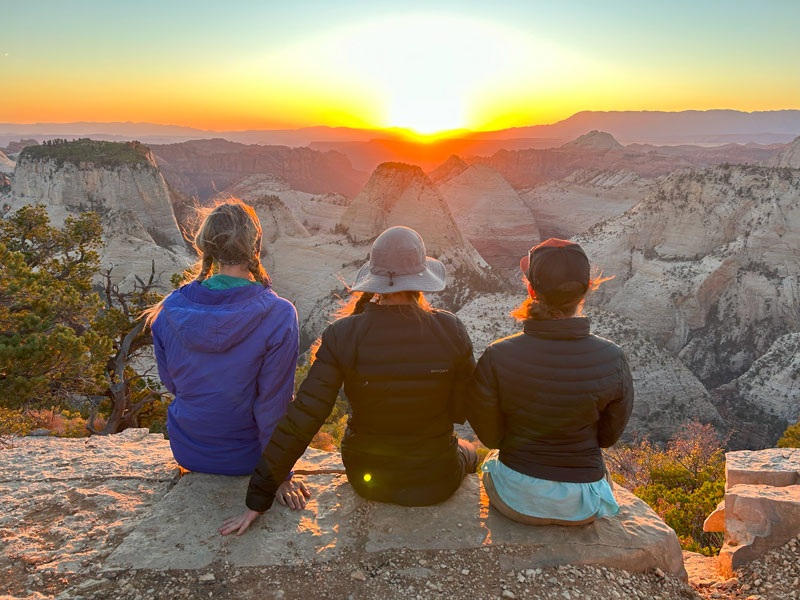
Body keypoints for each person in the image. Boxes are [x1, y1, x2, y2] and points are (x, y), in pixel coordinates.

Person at [220, 225, 477, 535]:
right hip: (437, 479)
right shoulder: (450, 329)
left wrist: (257, 498)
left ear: (376, 283)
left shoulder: (344, 334)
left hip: (368, 478)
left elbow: (304, 415)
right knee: (469, 450)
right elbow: (463, 410)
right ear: (421, 280)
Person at [146, 199, 310, 511]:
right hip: (247, 458)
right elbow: (272, 406)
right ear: (255, 246)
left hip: (188, 451)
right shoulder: (278, 313)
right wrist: (279, 475)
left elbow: (173, 383)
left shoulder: (169, 308)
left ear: (206, 247)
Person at [467, 238, 633, 526]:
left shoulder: (498, 354)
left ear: (532, 290)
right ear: (586, 291)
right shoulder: (613, 357)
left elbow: (492, 438)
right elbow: (608, 437)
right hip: (583, 504)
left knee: (492, 458)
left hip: (516, 498)